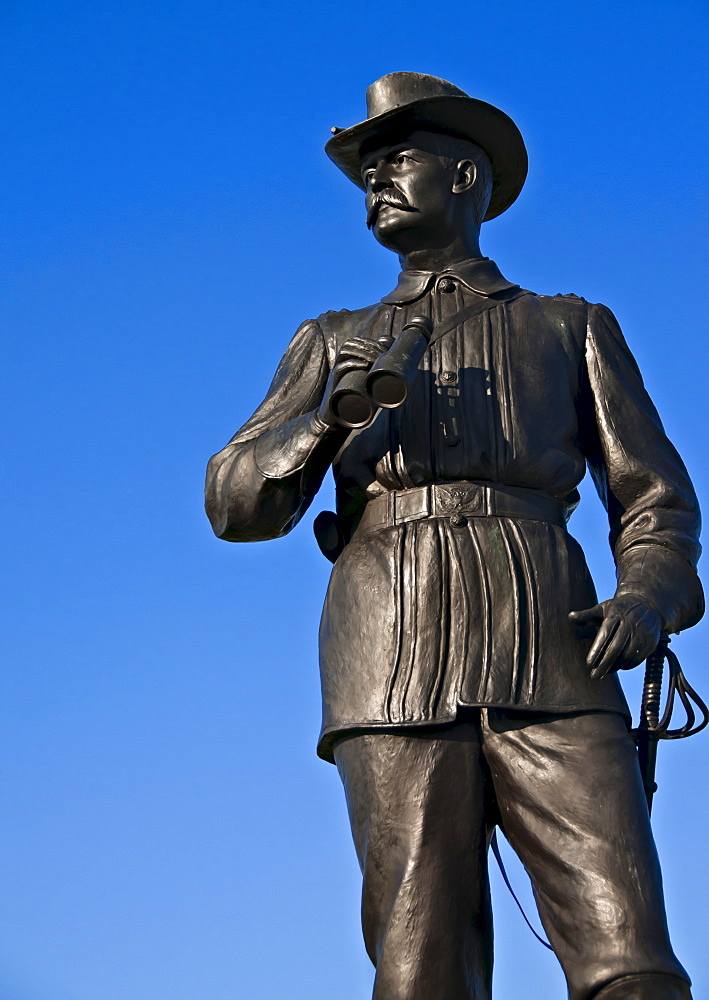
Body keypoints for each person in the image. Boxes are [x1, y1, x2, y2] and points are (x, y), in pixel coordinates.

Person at [205, 72, 703, 1000]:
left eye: (396, 162)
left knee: (627, 953)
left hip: (557, 646)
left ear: (465, 178)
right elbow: (235, 505)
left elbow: (656, 500)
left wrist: (647, 594)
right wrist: (325, 418)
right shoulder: (330, 338)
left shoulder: (568, 327)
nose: (375, 183)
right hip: (387, 656)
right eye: (367, 171)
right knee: (418, 962)